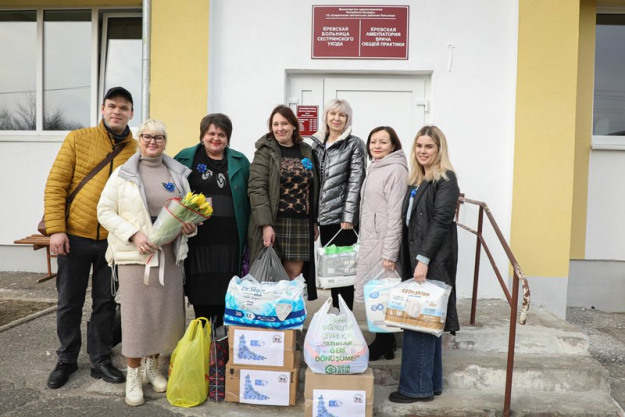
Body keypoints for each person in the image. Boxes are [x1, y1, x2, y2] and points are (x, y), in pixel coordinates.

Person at [97, 119, 196, 406]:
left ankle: (153, 367)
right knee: (137, 319)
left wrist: (190, 226)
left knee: (163, 316)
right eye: (146, 136)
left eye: (159, 137)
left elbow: (186, 210)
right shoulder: (123, 173)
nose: (152, 142)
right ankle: (133, 374)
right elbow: (104, 211)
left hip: (169, 256)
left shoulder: (176, 173)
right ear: (139, 139)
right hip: (135, 256)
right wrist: (134, 234)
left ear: (165, 141)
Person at [44, 87, 137, 390]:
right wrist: (56, 228)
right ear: (102, 108)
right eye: (112, 106)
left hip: (113, 241)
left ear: (131, 113)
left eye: (123, 108)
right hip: (74, 236)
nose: (117, 112)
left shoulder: (136, 149)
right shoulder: (78, 139)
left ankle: (100, 359)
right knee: (69, 302)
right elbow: (56, 184)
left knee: (106, 302)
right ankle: (66, 359)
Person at [391, 125, 460, 403]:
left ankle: (414, 388)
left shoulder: (446, 179)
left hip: (431, 260)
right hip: (418, 258)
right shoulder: (417, 179)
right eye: (419, 146)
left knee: (417, 321)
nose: (422, 151)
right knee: (428, 321)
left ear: (439, 149)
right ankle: (430, 385)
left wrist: (423, 260)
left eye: (429, 146)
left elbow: (441, 221)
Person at [174, 113, 251, 327]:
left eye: (221, 134)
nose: (216, 138)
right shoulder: (184, 158)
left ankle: (221, 344)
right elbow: (171, 192)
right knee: (201, 290)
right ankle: (202, 338)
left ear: (228, 138)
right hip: (199, 239)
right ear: (202, 135)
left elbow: (251, 196)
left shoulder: (240, 161)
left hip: (230, 240)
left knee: (227, 291)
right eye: (211, 133)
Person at [248, 105, 318, 301]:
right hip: (275, 221)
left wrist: (314, 221)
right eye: (275, 124)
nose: (280, 128)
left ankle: (289, 326)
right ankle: (270, 322)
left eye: (284, 123)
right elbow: (256, 188)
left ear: (294, 126)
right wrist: (265, 224)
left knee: (293, 277)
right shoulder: (265, 151)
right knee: (271, 278)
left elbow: (313, 188)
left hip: (300, 223)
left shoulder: (305, 151)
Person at [354, 126, 408, 361]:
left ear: (393, 145)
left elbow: (396, 214)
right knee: (377, 294)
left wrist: (389, 252)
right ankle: (385, 343)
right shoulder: (376, 167)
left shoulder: (396, 169)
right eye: (373, 141)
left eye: (383, 142)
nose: (376, 146)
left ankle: (383, 341)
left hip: (383, 242)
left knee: (382, 294)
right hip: (370, 240)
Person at [310, 99, 366, 310]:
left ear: (347, 119)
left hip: (343, 220)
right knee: (332, 271)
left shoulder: (354, 144)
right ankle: (337, 312)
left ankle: (345, 316)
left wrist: (349, 217)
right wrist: (314, 218)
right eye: (333, 113)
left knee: (344, 272)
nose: (336, 118)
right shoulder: (316, 144)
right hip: (324, 219)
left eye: (342, 115)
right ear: (325, 116)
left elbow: (356, 181)